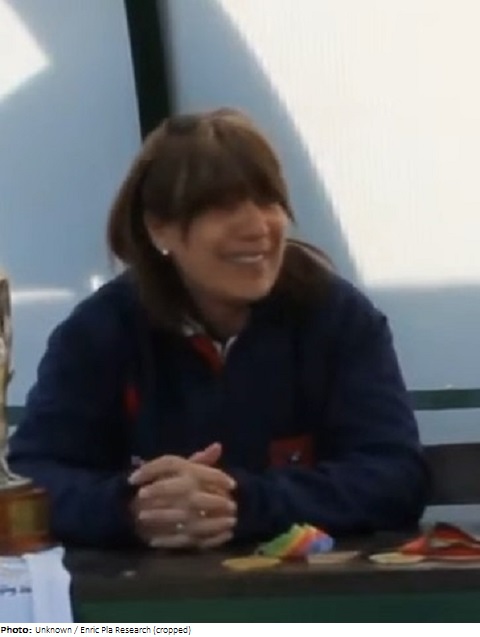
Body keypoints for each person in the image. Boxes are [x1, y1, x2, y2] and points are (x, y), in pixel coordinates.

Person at [8, 108, 429, 549]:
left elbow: (395, 475)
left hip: (308, 589)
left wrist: (240, 501)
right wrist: (134, 507)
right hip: (147, 593)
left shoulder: (336, 317)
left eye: (268, 201)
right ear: (159, 228)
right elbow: (32, 475)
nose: (257, 228)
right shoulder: (100, 332)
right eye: (222, 207)